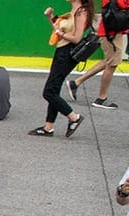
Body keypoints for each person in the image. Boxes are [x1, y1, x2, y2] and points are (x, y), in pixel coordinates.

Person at [33, 4, 90, 137]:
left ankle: (74, 117)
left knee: (48, 92)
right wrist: (50, 18)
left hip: (68, 52)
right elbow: (59, 31)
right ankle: (49, 126)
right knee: (54, 89)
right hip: (61, 50)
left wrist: (61, 33)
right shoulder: (73, 11)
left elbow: (77, 38)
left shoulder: (82, 12)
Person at [67, 1, 129, 111]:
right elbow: (123, 5)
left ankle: (76, 83)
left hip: (111, 31)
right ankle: (101, 98)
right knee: (112, 64)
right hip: (111, 33)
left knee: (109, 61)